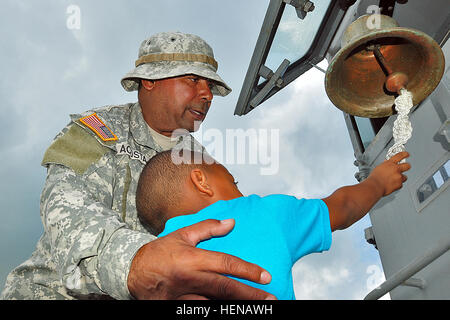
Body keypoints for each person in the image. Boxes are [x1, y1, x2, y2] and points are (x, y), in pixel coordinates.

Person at [1, 32, 274, 300]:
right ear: (150, 81)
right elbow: (65, 210)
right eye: (193, 79)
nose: (207, 95)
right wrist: (137, 262)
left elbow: (229, 225)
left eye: (210, 86)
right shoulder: (99, 131)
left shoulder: (200, 161)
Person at [135, 149, 411, 299]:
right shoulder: (258, 213)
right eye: (233, 181)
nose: (240, 191)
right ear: (201, 181)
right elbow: (344, 207)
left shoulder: (149, 262)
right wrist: (378, 182)